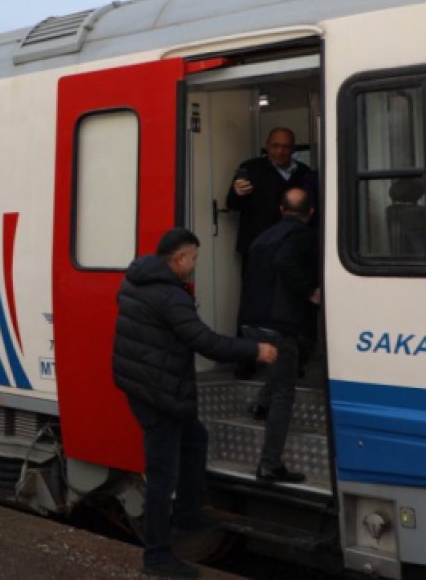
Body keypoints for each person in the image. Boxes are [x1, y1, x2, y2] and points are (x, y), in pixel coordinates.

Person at [112, 228, 280, 578]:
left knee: (196, 438)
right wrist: (256, 350)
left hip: (146, 385)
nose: (195, 264)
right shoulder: (171, 296)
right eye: (195, 257)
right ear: (179, 259)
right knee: (162, 477)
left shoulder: (137, 279)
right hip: (160, 395)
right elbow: (205, 342)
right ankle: (157, 557)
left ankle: (188, 511)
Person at [239, 188, 320, 484]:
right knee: (285, 392)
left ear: (280, 209)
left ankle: (260, 403)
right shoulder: (301, 235)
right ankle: (270, 464)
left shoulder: (263, 236)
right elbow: (284, 263)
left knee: (280, 368)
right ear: (310, 213)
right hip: (278, 324)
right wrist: (309, 292)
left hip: (251, 321)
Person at [225, 127, 316, 325]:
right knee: (256, 296)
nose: (280, 151)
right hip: (257, 245)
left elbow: (314, 208)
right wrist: (237, 193)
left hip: (295, 244)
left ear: (293, 149)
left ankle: (294, 345)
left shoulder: (305, 173)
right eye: (275, 146)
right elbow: (232, 205)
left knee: (293, 294)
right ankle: (251, 346)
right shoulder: (250, 168)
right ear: (266, 146)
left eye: (286, 147)